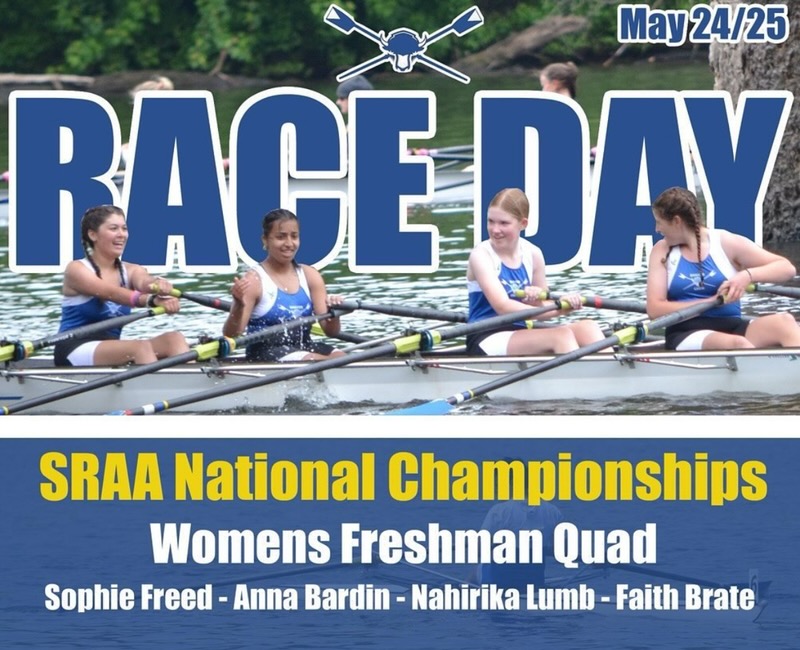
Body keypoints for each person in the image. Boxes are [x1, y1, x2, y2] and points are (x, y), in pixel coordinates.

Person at [647, 186, 800, 350]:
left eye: (659, 222)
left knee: (785, 322)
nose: (657, 229)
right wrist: (710, 302)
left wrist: (745, 276)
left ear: (677, 221)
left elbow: (786, 268)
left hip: (732, 327)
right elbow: (654, 309)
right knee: (738, 344)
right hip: (685, 332)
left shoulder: (725, 243)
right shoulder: (662, 251)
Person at [466, 188, 605, 356]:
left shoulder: (533, 253)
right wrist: (560, 308)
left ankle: (610, 371)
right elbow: (503, 307)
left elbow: (543, 306)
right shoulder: (481, 255)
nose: (495, 230)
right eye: (491, 221)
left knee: (588, 328)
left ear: (523, 224)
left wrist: (556, 302)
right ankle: (580, 372)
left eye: (503, 223)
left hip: (522, 332)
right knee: (561, 336)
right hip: (486, 337)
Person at [54, 205, 189, 366]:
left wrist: (158, 285)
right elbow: (111, 293)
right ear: (93, 234)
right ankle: (157, 381)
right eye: (113, 228)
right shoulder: (76, 269)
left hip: (113, 347)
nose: (121, 234)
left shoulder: (131, 270)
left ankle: (189, 380)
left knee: (174, 339)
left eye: (124, 229)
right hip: (74, 348)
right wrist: (152, 301)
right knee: (140, 348)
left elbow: (143, 281)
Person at [222, 208, 345, 361]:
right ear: (265, 240)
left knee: (343, 358)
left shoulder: (310, 276)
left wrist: (334, 314)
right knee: (323, 361)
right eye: (280, 237)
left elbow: (331, 332)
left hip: (303, 346)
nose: (289, 243)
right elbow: (231, 334)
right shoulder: (253, 281)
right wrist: (239, 305)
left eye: (294, 236)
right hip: (265, 353)